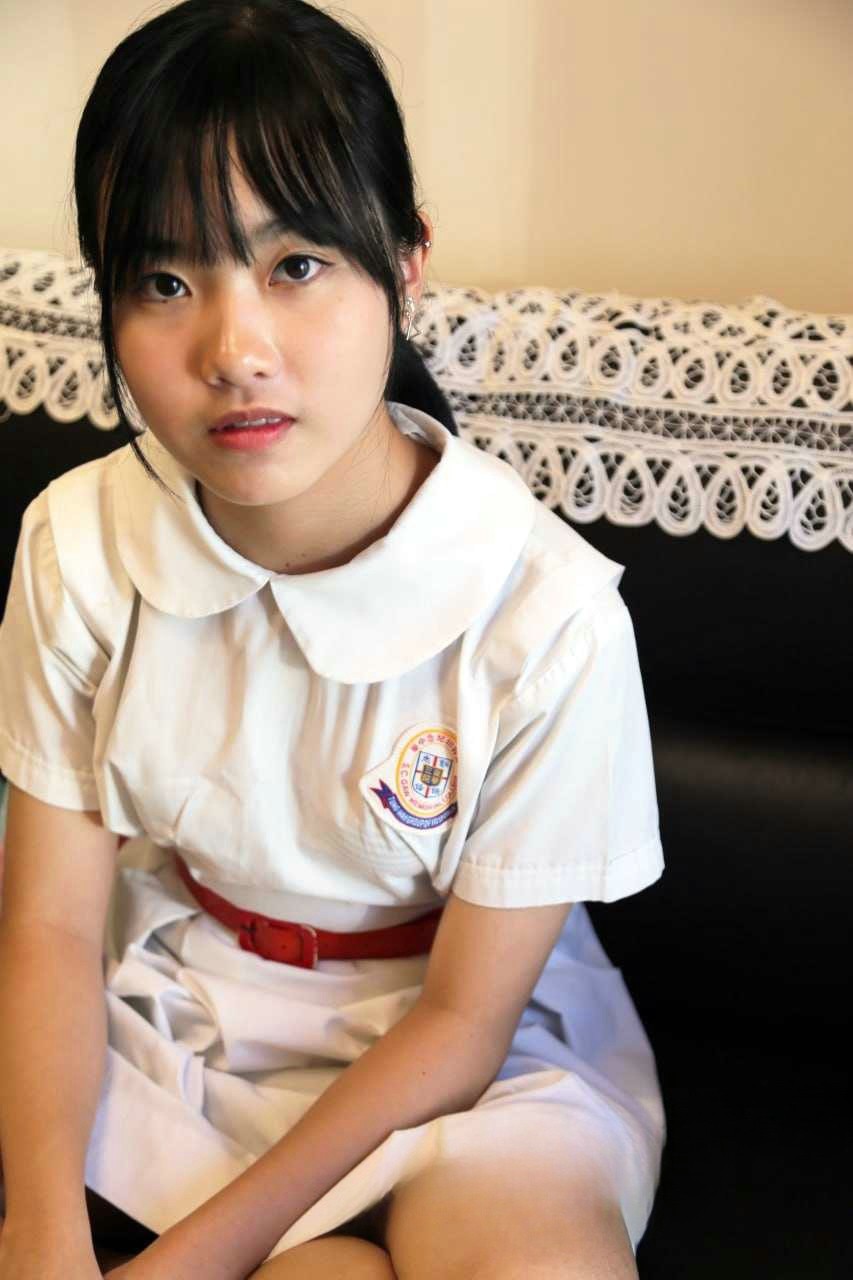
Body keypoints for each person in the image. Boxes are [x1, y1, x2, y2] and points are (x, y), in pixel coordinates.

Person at [0, 2, 666, 1277]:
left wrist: (185, 1260)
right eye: (164, 281)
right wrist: (42, 1236)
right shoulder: (76, 544)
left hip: (472, 1055)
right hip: (176, 1018)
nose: (233, 350)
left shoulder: (547, 613)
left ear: (404, 263)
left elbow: (463, 1021)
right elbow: (48, 927)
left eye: (296, 263)